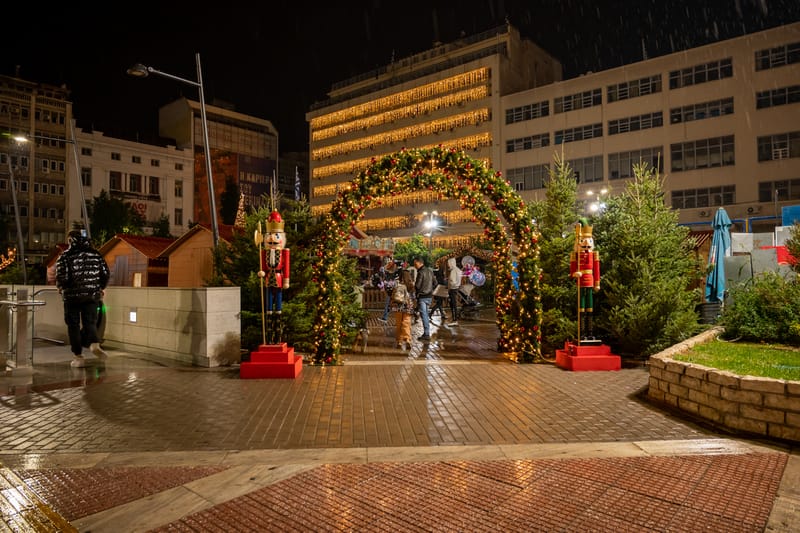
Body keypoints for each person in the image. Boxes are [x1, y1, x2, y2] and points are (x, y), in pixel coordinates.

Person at [56, 222, 110, 368]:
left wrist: (61, 287)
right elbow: (105, 273)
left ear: (70, 240)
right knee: (90, 322)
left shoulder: (65, 256)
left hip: (72, 297)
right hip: (92, 294)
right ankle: (94, 344)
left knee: (73, 325)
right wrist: (100, 287)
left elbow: (63, 277)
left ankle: (78, 357)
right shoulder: (96, 254)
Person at [258, 209, 290, 344]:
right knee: (268, 307)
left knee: (278, 307)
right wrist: (261, 272)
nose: (272, 238)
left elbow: (286, 267)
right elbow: (263, 267)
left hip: (278, 279)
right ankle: (269, 337)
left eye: (276, 235)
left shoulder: (284, 252)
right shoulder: (263, 252)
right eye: (270, 235)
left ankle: (278, 337)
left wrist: (286, 280)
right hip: (268, 280)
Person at [570, 218, 600, 340]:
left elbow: (597, 270)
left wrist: (597, 283)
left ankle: (590, 332)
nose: (586, 245)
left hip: (590, 281)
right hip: (581, 282)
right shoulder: (576, 255)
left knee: (590, 306)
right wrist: (575, 273)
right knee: (581, 307)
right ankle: (582, 333)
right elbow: (572, 269)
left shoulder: (594, 255)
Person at [412, 256, 435, 341]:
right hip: (429, 296)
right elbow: (435, 282)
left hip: (422, 296)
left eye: (415, 264)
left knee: (424, 315)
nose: (414, 265)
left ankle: (426, 333)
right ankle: (426, 332)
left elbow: (417, 285)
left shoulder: (421, 272)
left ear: (419, 263)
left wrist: (417, 290)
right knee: (425, 314)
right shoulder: (430, 271)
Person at [393, 268, 416, 350]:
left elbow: (392, 293)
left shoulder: (397, 283)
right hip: (408, 305)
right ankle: (408, 339)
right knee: (407, 323)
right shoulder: (411, 284)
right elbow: (413, 296)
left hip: (398, 305)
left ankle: (399, 341)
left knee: (399, 324)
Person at [373, 257, 399, 322]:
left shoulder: (386, 269)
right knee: (392, 303)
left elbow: (381, 277)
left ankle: (385, 317)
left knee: (389, 303)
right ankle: (389, 317)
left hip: (390, 289)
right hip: (393, 288)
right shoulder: (393, 270)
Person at [446, 257, 463, 325]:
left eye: (448, 263)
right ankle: (454, 319)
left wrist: (449, 283)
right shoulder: (457, 270)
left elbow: (452, 280)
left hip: (453, 289)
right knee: (454, 304)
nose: (448, 265)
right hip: (456, 288)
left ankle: (454, 320)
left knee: (453, 304)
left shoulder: (453, 271)